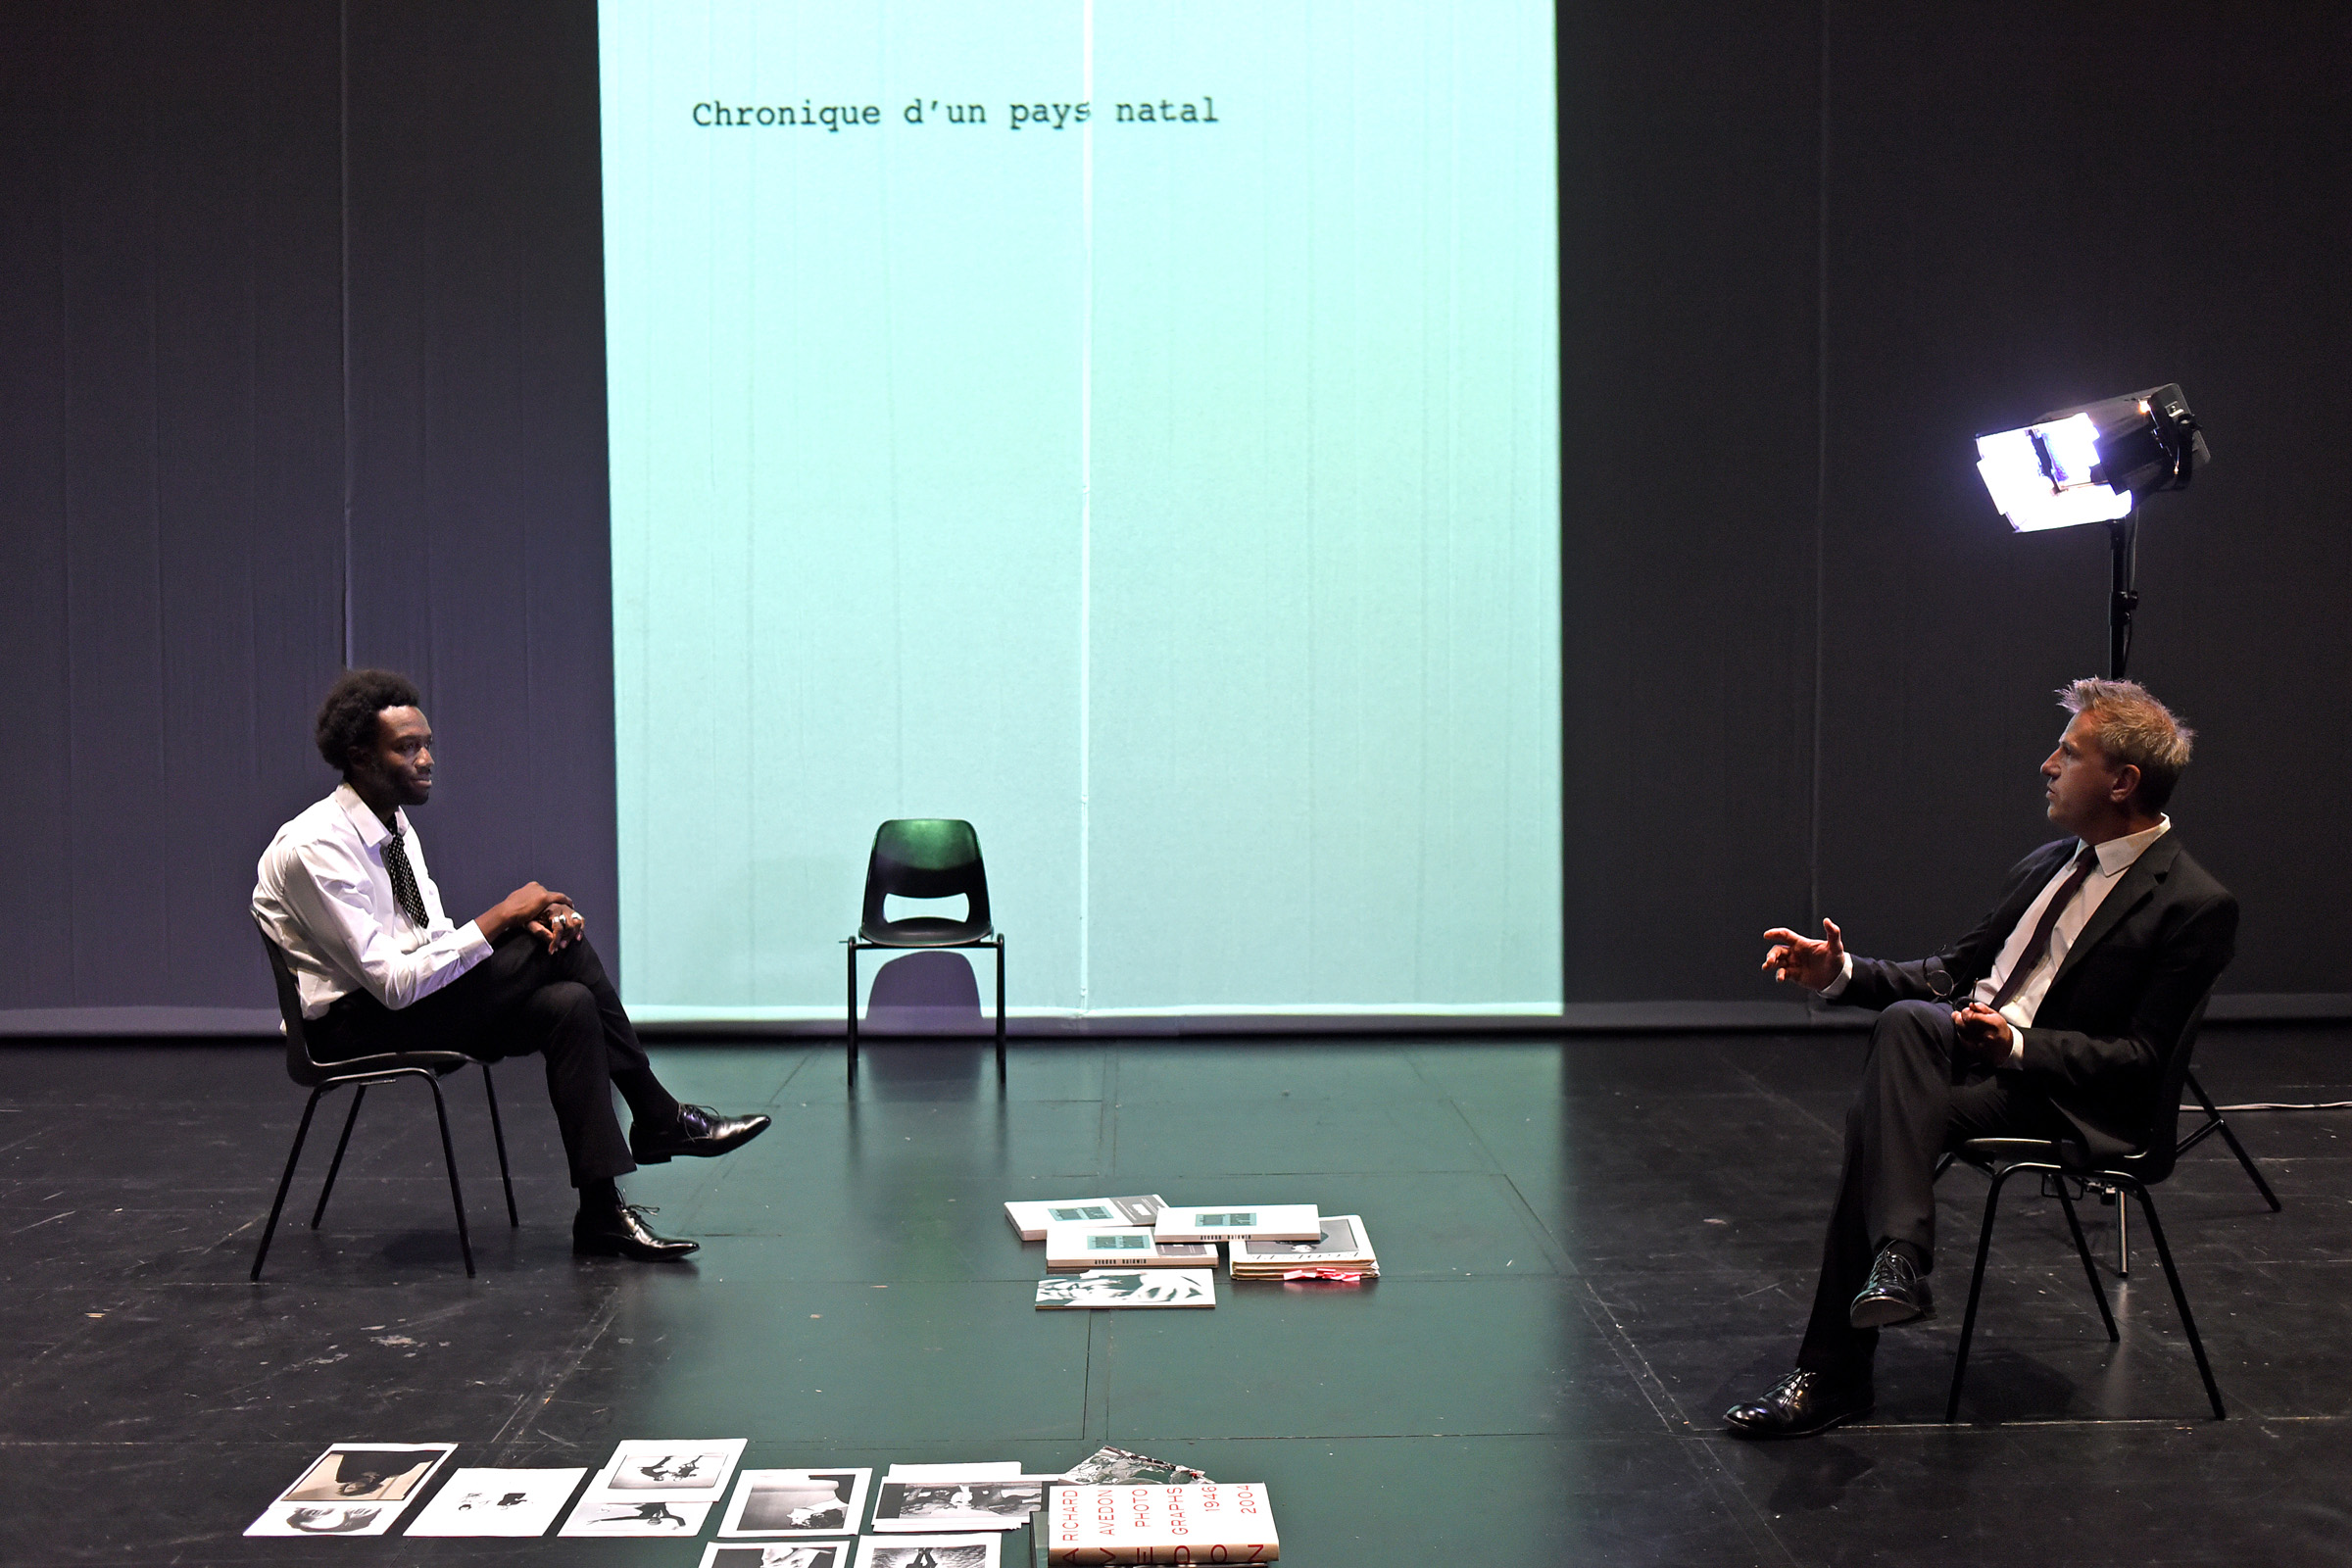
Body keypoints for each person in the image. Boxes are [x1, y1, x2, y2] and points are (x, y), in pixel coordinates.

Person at [1725, 679, 2236, 1438]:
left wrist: (2018, 1045)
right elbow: (1951, 974)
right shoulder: (2047, 863)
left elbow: (2141, 1061)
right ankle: (1896, 1264)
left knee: (1880, 1115)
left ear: (2123, 781)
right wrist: (1839, 973)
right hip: (1966, 1058)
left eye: (2069, 753)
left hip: (2058, 1097)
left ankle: (1839, 1365)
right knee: (1907, 1027)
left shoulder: (2192, 904)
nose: (2047, 766)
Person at [253, 669, 771, 1262]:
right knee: (562, 951)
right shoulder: (316, 846)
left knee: (570, 1002)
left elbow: (431, 941)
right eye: (407, 747)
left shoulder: (394, 826)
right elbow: (392, 985)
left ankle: (601, 1213)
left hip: (409, 1009)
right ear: (359, 756)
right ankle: (658, 1116)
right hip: (351, 1027)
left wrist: (519, 929)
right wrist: (502, 917)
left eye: (427, 744)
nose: (427, 759)